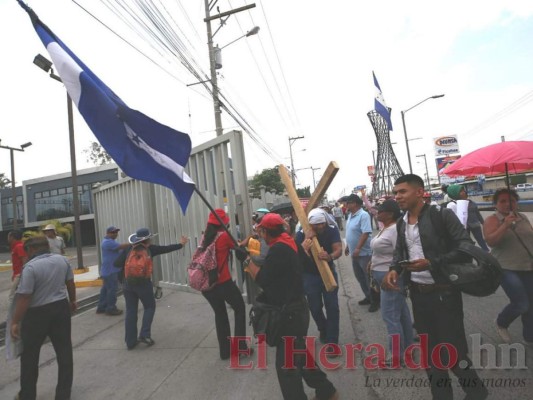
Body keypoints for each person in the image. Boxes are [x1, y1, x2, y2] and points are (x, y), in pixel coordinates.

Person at [384, 174, 488, 400]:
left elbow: (466, 246)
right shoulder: (402, 222)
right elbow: (400, 251)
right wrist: (394, 268)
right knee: (430, 356)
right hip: (420, 297)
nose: (397, 196)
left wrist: (432, 262)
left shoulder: (441, 215)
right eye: (396, 192)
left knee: (453, 351)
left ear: (419, 192)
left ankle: (477, 392)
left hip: (445, 293)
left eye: (402, 192)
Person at [246, 213, 339, 400]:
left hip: (288, 314)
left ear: (265, 231)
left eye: (261, 231)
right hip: (295, 310)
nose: (260, 234)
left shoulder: (279, 249)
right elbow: (301, 264)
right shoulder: (289, 242)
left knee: (286, 366)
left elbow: (263, 278)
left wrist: (248, 263)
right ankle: (327, 391)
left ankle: (322, 392)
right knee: (299, 356)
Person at [10, 236, 77, 400]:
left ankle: (27, 395)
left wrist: (15, 321)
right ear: (46, 246)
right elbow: (70, 283)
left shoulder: (31, 267)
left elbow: (25, 297)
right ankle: (63, 395)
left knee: (30, 357)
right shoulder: (62, 260)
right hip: (60, 309)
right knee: (64, 353)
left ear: (31, 250)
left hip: (36, 314)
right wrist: (73, 300)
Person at [115, 227, 188, 350]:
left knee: (131, 311)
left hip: (128, 285)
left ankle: (130, 342)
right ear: (148, 240)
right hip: (143, 284)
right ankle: (144, 335)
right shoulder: (150, 249)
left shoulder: (128, 248)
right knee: (149, 307)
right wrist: (181, 244)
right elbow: (166, 248)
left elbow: (116, 264)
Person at [199, 208, 251, 360]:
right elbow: (239, 249)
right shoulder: (224, 236)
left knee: (220, 314)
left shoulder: (205, 237)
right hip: (223, 282)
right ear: (224, 223)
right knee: (240, 309)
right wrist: (247, 241)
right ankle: (240, 347)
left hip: (208, 285)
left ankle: (225, 352)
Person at [483, 188, 533, 344]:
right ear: (496, 204)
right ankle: (501, 322)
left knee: (531, 304)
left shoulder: (523, 217)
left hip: (527, 265)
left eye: (511, 200)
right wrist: (505, 225)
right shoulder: (492, 220)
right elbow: (491, 241)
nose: (507, 204)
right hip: (506, 268)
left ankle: (530, 337)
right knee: (521, 303)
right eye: (502, 201)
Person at [369, 199, 413, 366]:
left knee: (390, 316)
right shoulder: (385, 228)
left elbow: (400, 254)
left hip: (391, 277)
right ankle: (407, 348)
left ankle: (396, 356)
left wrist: (394, 274)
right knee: (401, 314)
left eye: (380, 211)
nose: (377, 213)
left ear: (390, 214)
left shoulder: (394, 229)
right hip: (382, 273)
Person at [296, 208, 342, 347]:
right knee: (314, 307)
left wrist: (330, 256)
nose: (321, 226)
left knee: (332, 307)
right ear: (310, 224)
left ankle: (333, 341)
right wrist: (306, 241)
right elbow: (296, 254)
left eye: (322, 223)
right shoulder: (301, 233)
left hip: (328, 272)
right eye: (316, 225)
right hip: (310, 276)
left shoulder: (332, 230)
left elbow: (338, 249)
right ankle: (323, 329)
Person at [344, 193, 375, 310]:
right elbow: (351, 233)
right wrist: (348, 246)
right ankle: (368, 296)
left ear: (355, 203)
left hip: (364, 253)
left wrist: (357, 248)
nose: (346, 204)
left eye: (348, 202)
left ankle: (374, 300)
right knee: (360, 277)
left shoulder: (363, 215)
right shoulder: (351, 215)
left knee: (368, 278)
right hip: (355, 253)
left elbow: (365, 232)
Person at [96, 226, 130, 316]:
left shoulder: (111, 242)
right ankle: (111, 308)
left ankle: (101, 307)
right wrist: (133, 243)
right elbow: (121, 246)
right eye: (113, 232)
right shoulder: (107, 242)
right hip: (110, 271)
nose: (115, 234)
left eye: (116, 232)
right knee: (112, 290)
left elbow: (120, 250)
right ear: (108, 233)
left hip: (108, 271)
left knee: (105, 290)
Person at [447, 184, 490, 251]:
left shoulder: (471, 202)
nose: (464, 192)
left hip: (475, 225)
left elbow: (477, 213)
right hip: (464, 227)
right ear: (455, 193)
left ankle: (487, 252)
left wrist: (483, 223)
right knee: (467, 242)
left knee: (480, 240)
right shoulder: (452, 205)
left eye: (463, 190)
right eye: (461, 191)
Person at [7, 230, 27, 302]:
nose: (8, 238)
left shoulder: (19, 246)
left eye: (8, 236)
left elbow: (24, 260)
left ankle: (15, 312)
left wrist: (22, 275)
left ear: (12, 237)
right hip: (17, 274)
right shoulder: (16, 246)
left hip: (20, 275)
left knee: (12, 297)